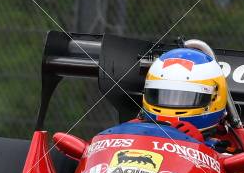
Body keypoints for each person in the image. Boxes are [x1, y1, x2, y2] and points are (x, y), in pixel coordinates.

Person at [99, 44, 236, 149]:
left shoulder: (224, 151)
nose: (171, 105)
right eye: (160, 95)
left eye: (185, 97)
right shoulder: (129, 134)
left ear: (215, 98)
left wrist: (200, 148)